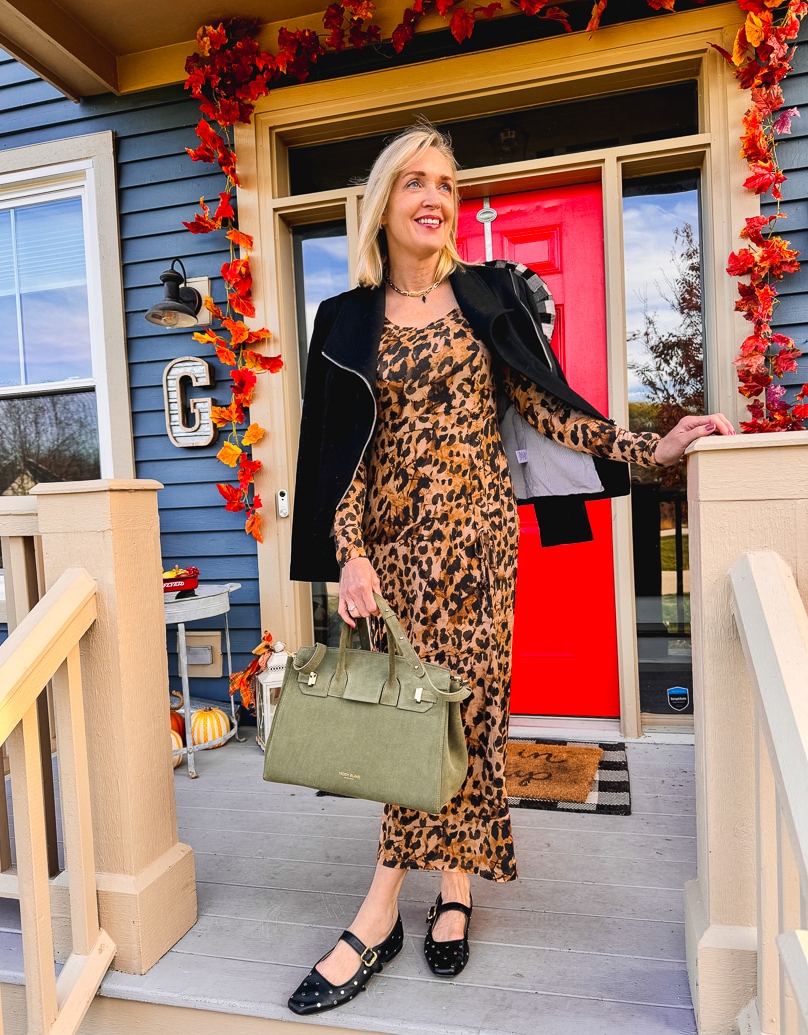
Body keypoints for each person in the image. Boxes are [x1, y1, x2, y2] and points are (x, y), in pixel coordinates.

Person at [286, 122, 734, 1015]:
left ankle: (420, 898)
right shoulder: (343, 319)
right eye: (414, 180)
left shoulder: (488, 296)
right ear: (384, 201)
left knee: (467, 716)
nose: (433, 197)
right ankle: (414, 902)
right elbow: (336, 455)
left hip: (480, 548)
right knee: (403, 725)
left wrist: (653, 446)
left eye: (446, 183)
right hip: (396, 554)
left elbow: (551, 408)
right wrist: (350, 553)